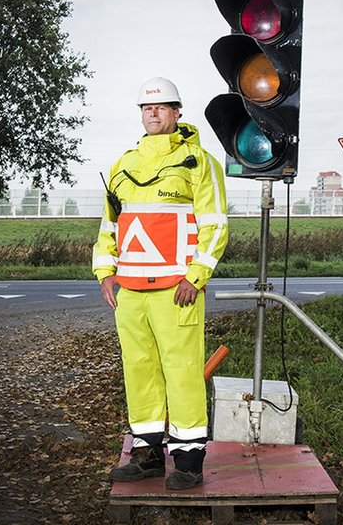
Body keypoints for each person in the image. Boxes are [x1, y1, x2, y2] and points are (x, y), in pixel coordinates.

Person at [92, 77, 229, 490]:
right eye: (147, 109)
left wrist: (196, 276)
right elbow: (109, 225)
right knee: (140, 371)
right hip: (130, 291)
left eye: (162, 107)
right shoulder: (123, 165)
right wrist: (105, 272)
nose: (153, 114)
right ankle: (149, 455)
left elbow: (216, 225)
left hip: (177, 290)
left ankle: (188, 461)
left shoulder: (199, 162)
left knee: (183, 371)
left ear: (177, 113)